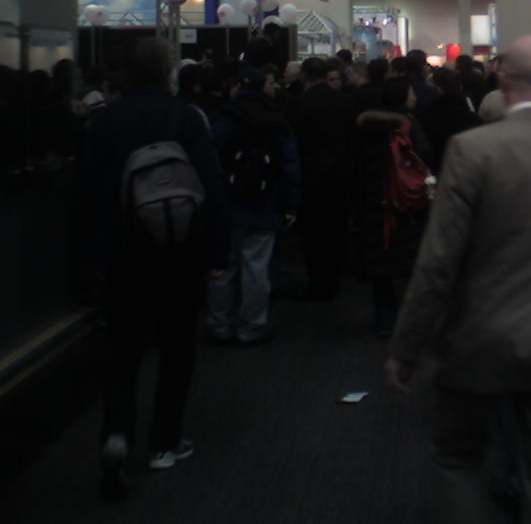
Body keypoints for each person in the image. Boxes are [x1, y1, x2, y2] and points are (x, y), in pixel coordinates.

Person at [385, 36, 531, 524]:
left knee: (459, 461)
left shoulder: (472, 150)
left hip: (479, 337)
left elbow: (438, 263)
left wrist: (408, 347)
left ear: (502, 77)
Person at [81, 38, 228, 498]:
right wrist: (216, 253)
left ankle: (116, 436)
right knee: (177, 346)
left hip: (123, 252)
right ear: (168, 70)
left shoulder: (104, 121)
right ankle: (165, 441)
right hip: (179, 251)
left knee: (122, 350)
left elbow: (88, 196)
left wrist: (92, 256)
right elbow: (210, 187)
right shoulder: (186, 118)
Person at [207, 65, 302, 346]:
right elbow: (290, 167)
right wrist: (291, 206)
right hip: (263, 204)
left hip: (227, 205)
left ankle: (220, 325)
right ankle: (252, 327)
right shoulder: (275, 122)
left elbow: (209, 162)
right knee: (256, 268)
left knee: (224, 268)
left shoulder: (223, 121)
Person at [354, 76, 433, 336]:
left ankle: (385, 320)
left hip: (375, 197)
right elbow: (425, 154)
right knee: (411, 258)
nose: (414, 97)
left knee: (381, 263)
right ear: (402, 97)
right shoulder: (410, 124)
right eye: (410, 93)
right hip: (407, 198)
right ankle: (415, 321)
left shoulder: (366, 126)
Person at [292, 56, 355, 301]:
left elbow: (295, 142)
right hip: (340, 176)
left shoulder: (299, 103)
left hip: (310, 178)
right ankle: (334, 279)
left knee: (313, 235)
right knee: (336, 231)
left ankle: (318, 283)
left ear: (303, 77)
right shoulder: (344, 101)